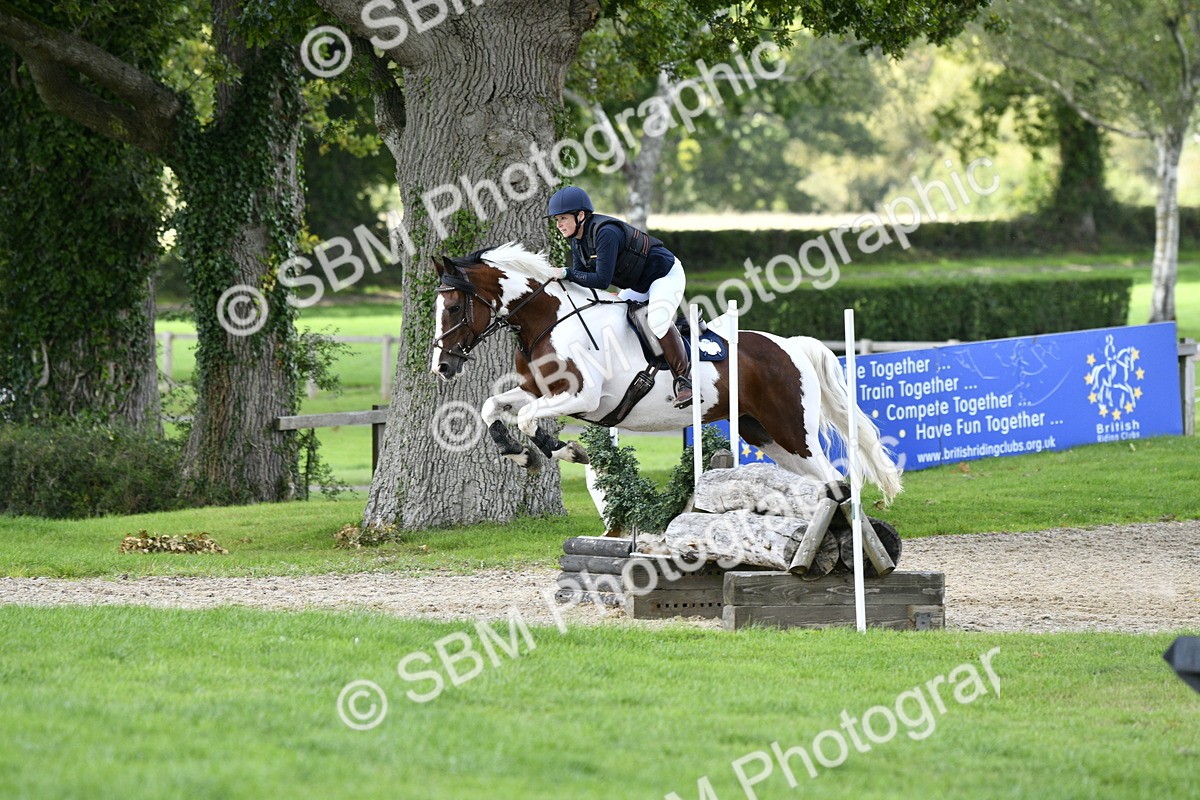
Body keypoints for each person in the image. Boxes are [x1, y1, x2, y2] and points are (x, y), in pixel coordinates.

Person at [545, 186, 693, 408]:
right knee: (612, 315)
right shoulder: (577, 241)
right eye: (557, 220)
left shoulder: (606, 232)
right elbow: (583, 280)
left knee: (657, 321)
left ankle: (683, 382)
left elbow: (601, 280)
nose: (559, 224)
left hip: (664, 275)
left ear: (581, 215)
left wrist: (565, 273)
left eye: (563, 218)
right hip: (639, 284)